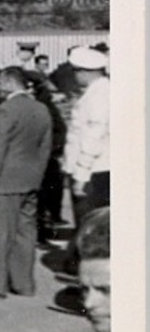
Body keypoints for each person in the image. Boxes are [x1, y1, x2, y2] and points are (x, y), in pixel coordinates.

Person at [0, 66, 53, 299]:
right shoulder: (41, 109)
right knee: (25, 234)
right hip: (30, 181)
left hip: (4, 181)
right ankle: (23, 283)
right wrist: (36, 176)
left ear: (9, 83)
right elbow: (45, 148)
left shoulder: (4, 110)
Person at [61, 47, 109, 223]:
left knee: (88, 228)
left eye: (75, 71)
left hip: (92, 171)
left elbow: (94, 135)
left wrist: (81, 174)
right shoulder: (98, 91)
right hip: (94, 169)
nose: (74, 76)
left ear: (84, 72)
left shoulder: (99, 95)